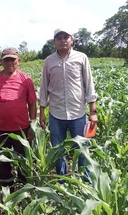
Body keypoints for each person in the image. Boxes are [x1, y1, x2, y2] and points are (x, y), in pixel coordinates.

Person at [39, 27, 98, 182]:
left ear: (72, 39)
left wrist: (93, 111)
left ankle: (85, 183)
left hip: (78, 112)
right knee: (58, 151)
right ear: (54, 42)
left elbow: (89, 84)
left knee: (82, 150)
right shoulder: (49, 61)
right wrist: (41, 112)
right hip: (55, 113)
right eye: (59, 38)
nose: (63, 40)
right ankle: (62, 182)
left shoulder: (81, 58)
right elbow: (44, 87)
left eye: (66, 37)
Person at [0, 47, 37, 189]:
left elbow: (32, 103)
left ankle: (23, 187)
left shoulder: (26, 79)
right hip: (0, 128)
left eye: (12, 59)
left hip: (22, 129)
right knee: (3, 161)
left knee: (24, 160)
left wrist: (33, 125)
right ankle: (6, 188)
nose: (9, 62)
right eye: (6, 59)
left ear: (18, 61)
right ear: (1, 62)